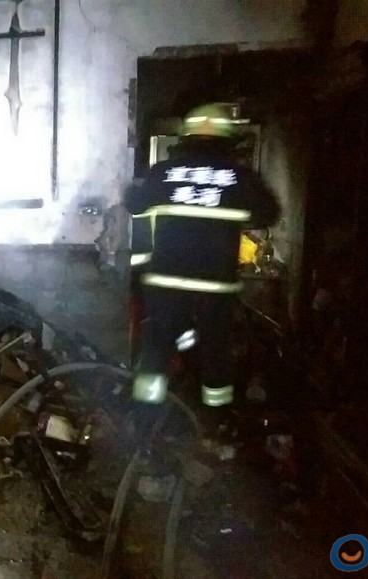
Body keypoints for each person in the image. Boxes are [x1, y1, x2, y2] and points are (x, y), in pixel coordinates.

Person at [125, 103, 281, 433]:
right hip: (214, 286)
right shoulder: (239, 176)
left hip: (166, 282)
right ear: (226, 140)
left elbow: (133, 203)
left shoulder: (164, 172)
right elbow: (269, 213)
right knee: (216, 351)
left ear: (186, 138)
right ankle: (215, 421)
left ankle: (144, 422)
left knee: (157, 347)